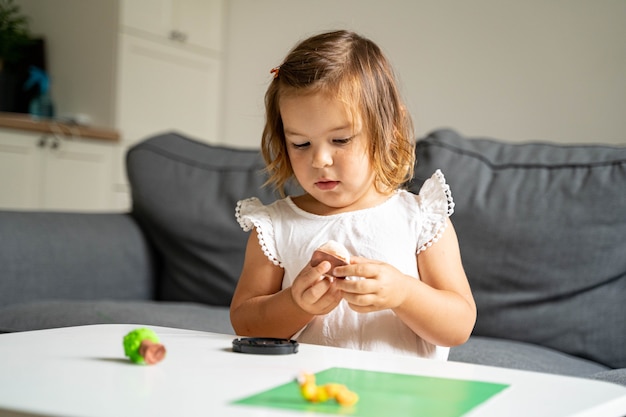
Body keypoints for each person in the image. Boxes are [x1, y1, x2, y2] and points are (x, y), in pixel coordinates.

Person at [231, 30, 476, 360]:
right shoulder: (274, 227)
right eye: (300, 144)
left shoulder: (420, 218)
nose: (319, 160)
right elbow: (245, 324)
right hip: (306, 396)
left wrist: (403, 293)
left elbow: (459, 325)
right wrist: (295, 303)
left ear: (388, 131)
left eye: (341, 139)